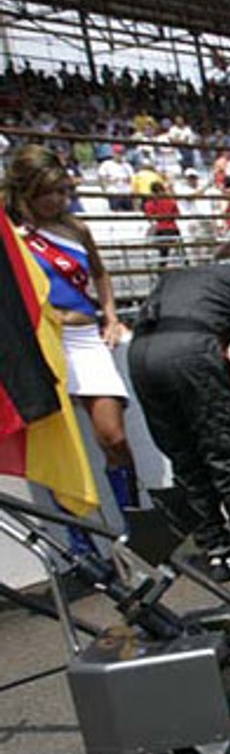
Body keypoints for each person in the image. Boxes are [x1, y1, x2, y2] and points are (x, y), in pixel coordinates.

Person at [127, 235, 230, 582]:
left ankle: (218, 553)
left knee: (186, 460)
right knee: (229, 457)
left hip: (140, 357)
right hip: (191, 355)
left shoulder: (176, 277)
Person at [4, 145, 138, 523]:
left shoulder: (76, 229)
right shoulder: (10, 235)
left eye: (63, 190)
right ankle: (80, 539)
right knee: (58, 446)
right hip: (41, 343)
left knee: (113, 435)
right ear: (26, 189)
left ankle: (136, 521)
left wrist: (111, 317)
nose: (58, 200)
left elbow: (100, 273)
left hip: (85, 338)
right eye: (48, 192)